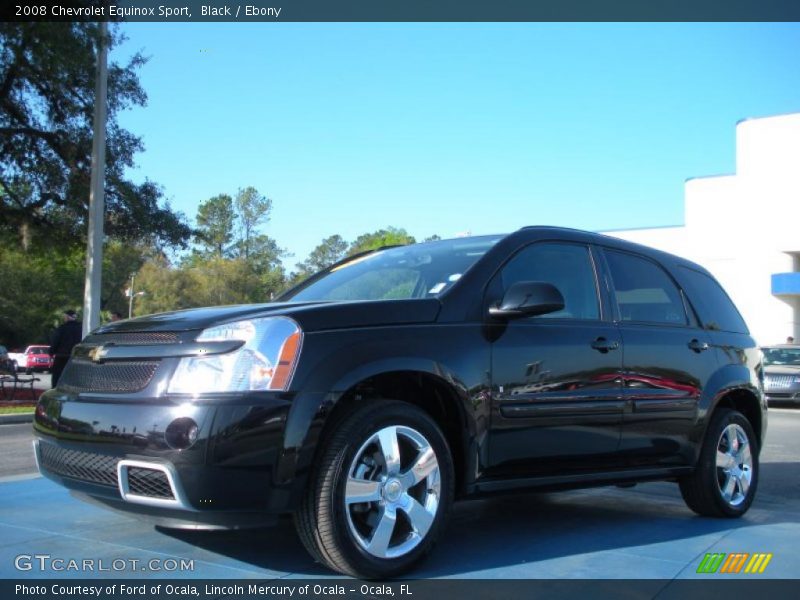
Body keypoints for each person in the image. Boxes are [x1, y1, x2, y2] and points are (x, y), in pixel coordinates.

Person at [50, 309, 82, 388]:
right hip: (75, 356)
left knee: (57, 375)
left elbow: (56, 341)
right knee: (73, 376)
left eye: (65, 317)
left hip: (61, 356)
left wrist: (51, 352)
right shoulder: (81, 328)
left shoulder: (62, 328)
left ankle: (56, 390)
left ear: (67, 317)